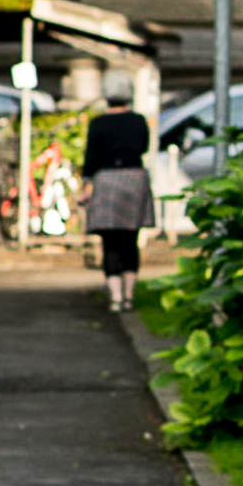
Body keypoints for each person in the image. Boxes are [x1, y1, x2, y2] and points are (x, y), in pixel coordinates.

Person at [81, 81, 156, 313]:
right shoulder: (138, 121)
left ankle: (115, 297)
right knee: (130, 239)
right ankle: (130, 297)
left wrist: (86, 185)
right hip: (135, 178)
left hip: (106, 181)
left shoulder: (98, 123)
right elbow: (143, 148)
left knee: (109, 241)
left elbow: (91, 157)